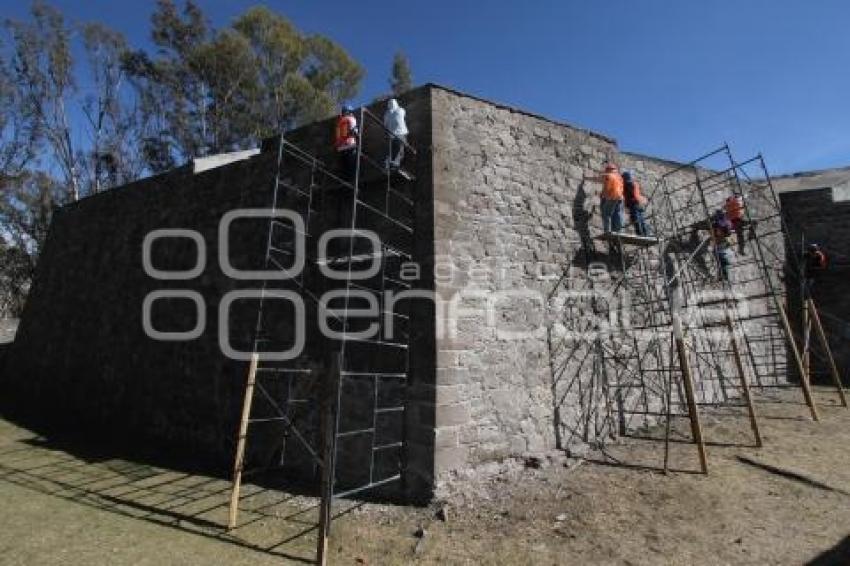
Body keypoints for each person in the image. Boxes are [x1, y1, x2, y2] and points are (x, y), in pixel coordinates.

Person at [586, 163, 624, 234]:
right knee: (617, 215)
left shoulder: (608, 176)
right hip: (620, 198)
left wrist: (586, 178)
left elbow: (598, 179)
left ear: (608, 170)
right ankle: (618, 231)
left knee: (606, 214)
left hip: (613, 197)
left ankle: (607, 231)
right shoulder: (619, 178)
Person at [383, 98, 409, 170]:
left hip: (391, 134)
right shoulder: (401, 110)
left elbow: (385, 125)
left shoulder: (387, 114)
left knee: (392, 149)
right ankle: (395, 163)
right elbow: (404, 115)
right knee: (400, 149)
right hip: (401, 132)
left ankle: (388, 163)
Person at [335, 105, 359, 181]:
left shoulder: (339, 122)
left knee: (344, 165)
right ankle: (352, 180)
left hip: (341, 146)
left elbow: (338, 135)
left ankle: (344, 181)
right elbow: (354, 131)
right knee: (351, 164)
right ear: (349, 111)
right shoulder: (351, 119)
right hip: (350, 144)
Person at [622, 171, 649, 236]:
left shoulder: (628, 184)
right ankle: (645, 233)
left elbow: (628, 195)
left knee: (636, 219)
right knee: (642, 219)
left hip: (633, 203)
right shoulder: (634, 183)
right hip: (639, 203)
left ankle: (640, 233)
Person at [711, 209, 734, 282]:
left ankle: (723, 275)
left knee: (720, 257)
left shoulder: (722, 222)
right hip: (724, 242)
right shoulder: (726, 222)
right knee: (720, 258)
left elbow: (722, 229)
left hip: (723, 242)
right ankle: (723, 275)